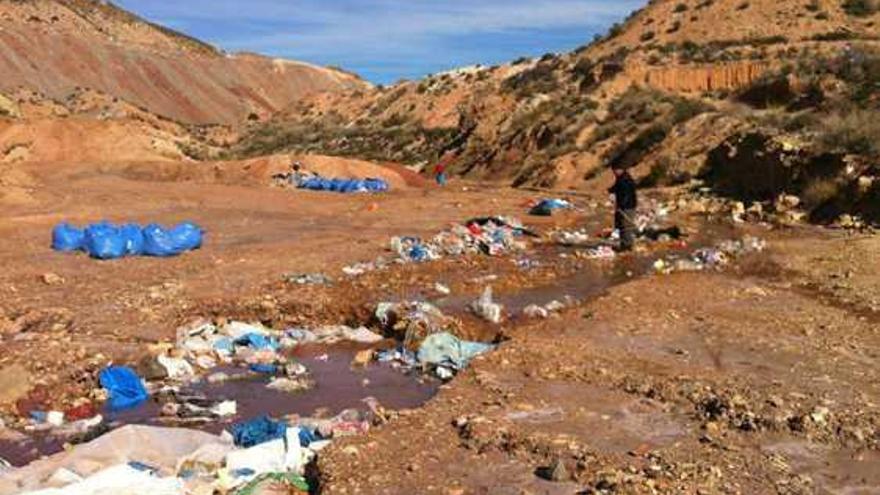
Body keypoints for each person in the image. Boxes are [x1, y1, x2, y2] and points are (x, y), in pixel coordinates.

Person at [608, 165, 638, 251]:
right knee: (620, 225)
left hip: (627, 207)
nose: (614, 173)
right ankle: (623, 244)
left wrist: (622, 205)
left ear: (620, 170)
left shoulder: (626, 180)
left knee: (626, 226)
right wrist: (610, 190)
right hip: (623, 206)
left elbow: (627, 194)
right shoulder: (621, 178)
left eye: (615, 171)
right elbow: (617, 187)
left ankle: (627, 246)